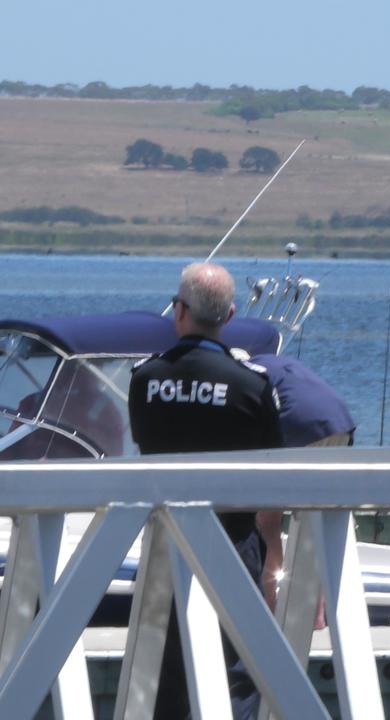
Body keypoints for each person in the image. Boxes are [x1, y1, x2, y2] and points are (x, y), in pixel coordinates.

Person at [128, 262, 284, 720]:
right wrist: (273, 556)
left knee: (165, 665)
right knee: (236, 664)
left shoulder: (144, 379)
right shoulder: (250, 384)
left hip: (166, 540)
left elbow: (146, 448)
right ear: (230, 315)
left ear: (180, 311)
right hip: (233, 545)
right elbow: (271, 479)